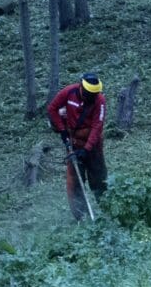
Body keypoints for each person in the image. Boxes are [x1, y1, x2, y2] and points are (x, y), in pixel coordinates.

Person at [46, 72, 107, 219]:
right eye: (89, 93)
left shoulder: (100, 100)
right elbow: (52, 109)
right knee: (74, 183)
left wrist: (87, 149)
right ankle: (81, 216)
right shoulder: (69, 92)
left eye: (94, 94)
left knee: (99, 178)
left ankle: (106, 208)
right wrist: (62, 131)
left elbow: (97, 127)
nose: (91, 96)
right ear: (82, 88)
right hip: (73, 144)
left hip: (93, 145)